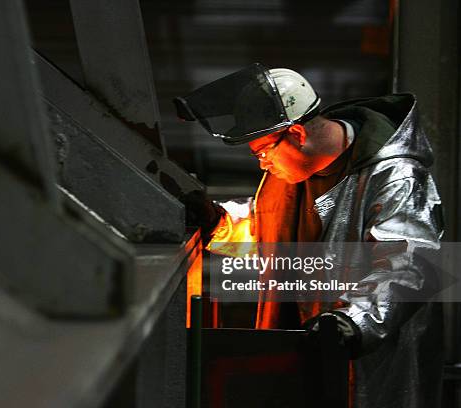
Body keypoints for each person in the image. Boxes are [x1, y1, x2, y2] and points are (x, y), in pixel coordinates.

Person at [175, 63, 444, 408]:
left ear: (298, 135)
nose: (261, 164)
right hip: (301, 357)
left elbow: (408, 265)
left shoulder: (396, 178)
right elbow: (268, 235)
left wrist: (354, 323)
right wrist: (218, 222)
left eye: (262, 151)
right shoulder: (288, 176)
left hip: (364, 361)